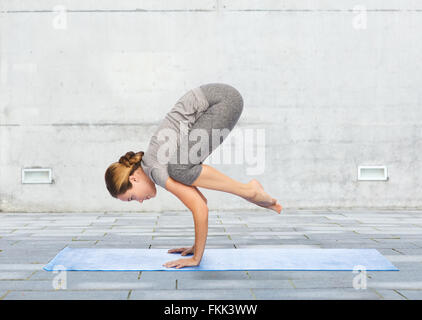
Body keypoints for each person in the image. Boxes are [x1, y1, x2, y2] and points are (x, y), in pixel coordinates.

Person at [105, 83, 282, 269]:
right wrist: (196, 246)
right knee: (181, 169)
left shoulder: (156, 170)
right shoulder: (153, 164)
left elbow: (199, 208)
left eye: (132, 197)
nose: (140, 201)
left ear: (133, 179)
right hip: (221, 99)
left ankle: (249, 190)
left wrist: (196, 258)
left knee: (179, 169)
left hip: (220, 101)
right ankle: (249, 191)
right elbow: (201, 201)